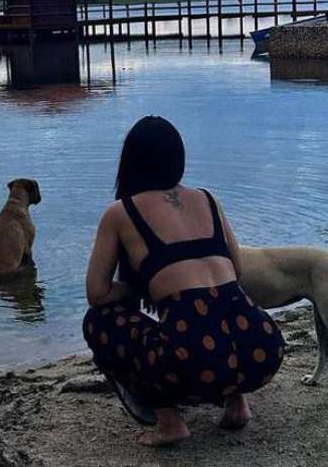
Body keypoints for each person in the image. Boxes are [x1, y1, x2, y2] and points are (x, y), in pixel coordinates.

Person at [83, 116, 284, 447]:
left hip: (196, 365)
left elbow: (97, 292)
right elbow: (236, 268)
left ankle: (169, 421)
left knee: (99, 321)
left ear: (129, 162)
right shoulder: (207, 198)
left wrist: (142, 286)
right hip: (262, 351)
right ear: (179, 158)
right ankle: (237, 404)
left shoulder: (120, 212)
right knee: (218, 313)